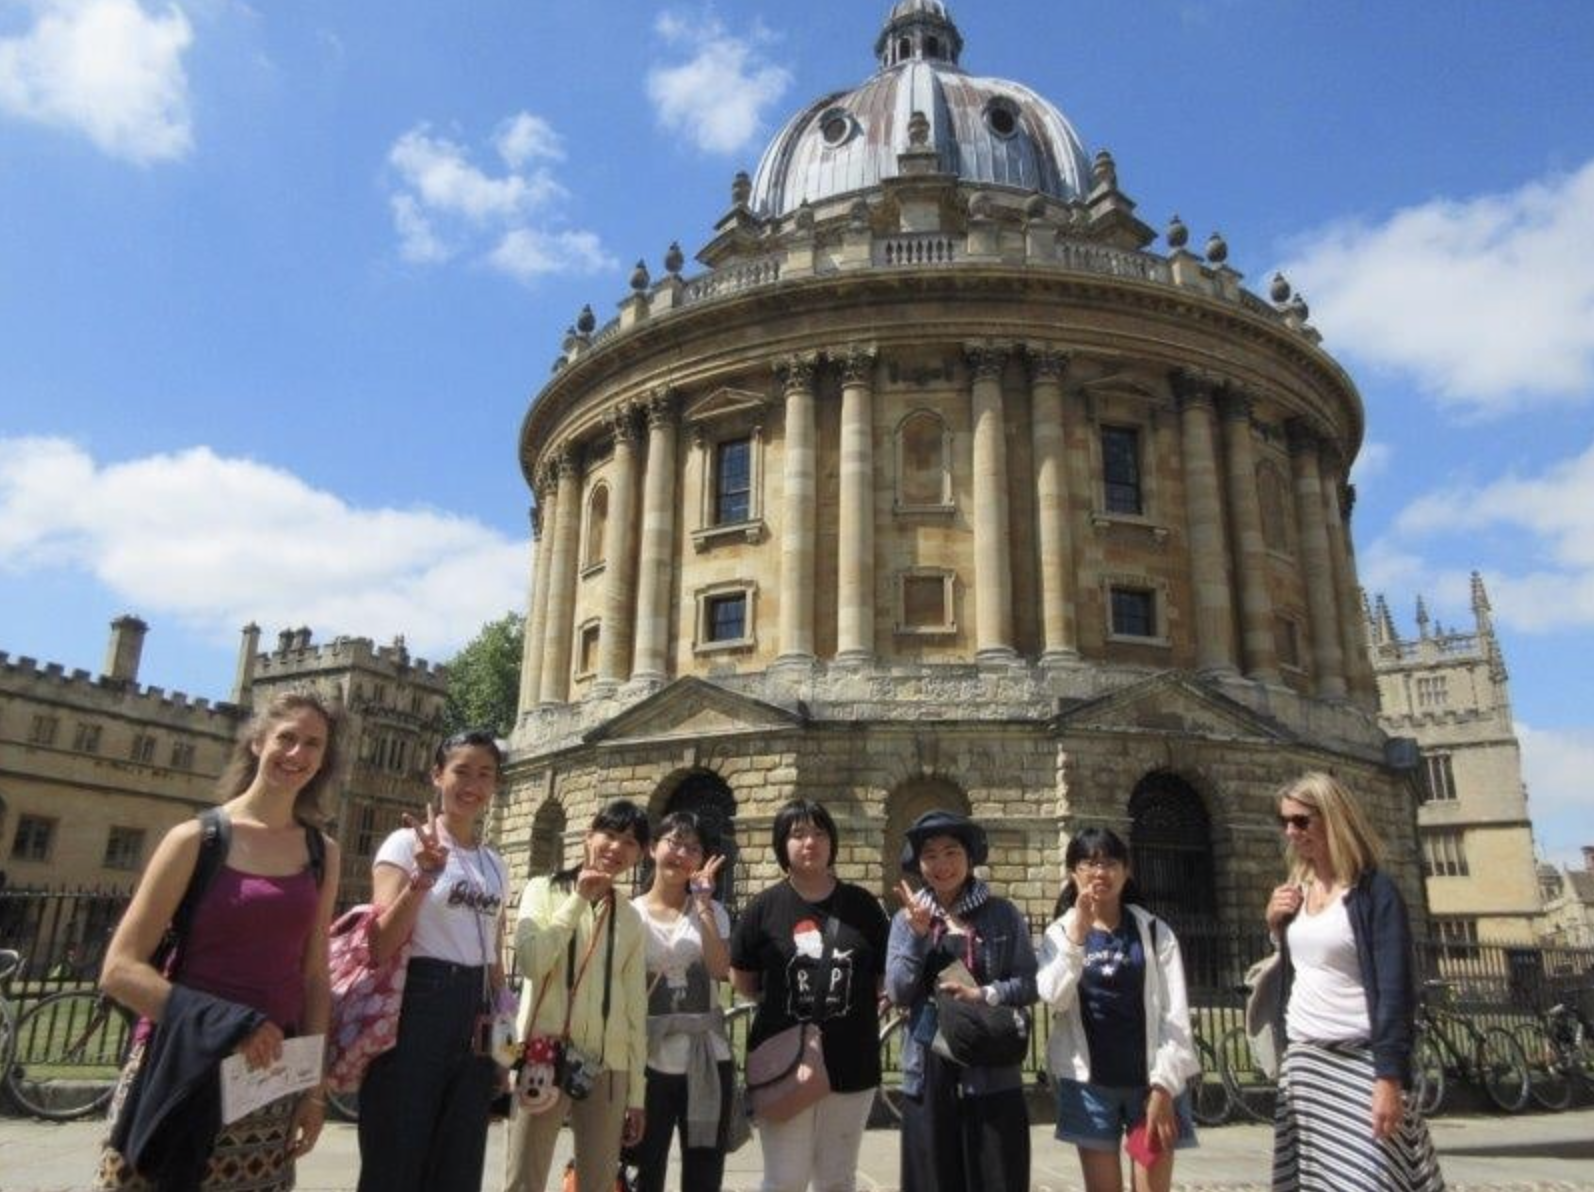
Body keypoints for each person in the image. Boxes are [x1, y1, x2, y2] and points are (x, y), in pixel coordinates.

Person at [95, 691, 343, 1191]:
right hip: (179, 1068)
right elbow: (119, 969)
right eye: (286, 738)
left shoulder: (322, 852)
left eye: (312, 744)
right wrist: (230, 1026)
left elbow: (315, 975)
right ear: (257, 741)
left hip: (268, 1081)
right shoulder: (197, 839)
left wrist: (314, 1087)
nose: (297, 755)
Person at [1266, 772, 1445, 1192]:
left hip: (1360, 1061)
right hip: (1306, 1062)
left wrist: (1389, 1077)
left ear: (1334, 818)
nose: (1291, 831)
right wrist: (1275, 925)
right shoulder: (1298, 891)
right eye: (1285, 822)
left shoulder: (1374, 892)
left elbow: (1396, 989)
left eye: (1301, 821)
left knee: (1370, 1179)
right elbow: (1306, 967)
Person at [356, 729, 509, 1192]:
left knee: (459, 1165)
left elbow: (496, 959)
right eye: (461, 771)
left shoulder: (495, 864)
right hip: (416, 1005)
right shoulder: (404, 845)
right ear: (437, 775)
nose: (473, 785)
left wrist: (507, 1048)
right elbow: (378, 945)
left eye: (485, 774)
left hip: (476, 1010)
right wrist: (422, 878)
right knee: (396, 1159)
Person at [729, 798, 891, 1192]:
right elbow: (744, 981)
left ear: (832, 842)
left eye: (819, 833)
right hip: (782, 1061)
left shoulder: (863, 906)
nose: (810, 843)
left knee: (837, 1179)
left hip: (851, 1059)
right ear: (782, 844)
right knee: (785, 1179)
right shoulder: (763, 908)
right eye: (798, 834)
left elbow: (882, 975)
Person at [1037, 827, 1198, 1192]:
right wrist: (1078, 934)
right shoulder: (1059, 934)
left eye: (1110, 863)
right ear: (1072, 872)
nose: (1100, 873)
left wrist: (1164, 1088)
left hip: (1151, 1086)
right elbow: (1054, 997)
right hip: (1090, 1087)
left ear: (1127, 871)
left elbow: (1175, 1015)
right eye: (1089, 863)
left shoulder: (1156, 932)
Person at [884, 810, 1037, 1192]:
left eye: (951, 852)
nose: (942, 864)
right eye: (930, 855)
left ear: (969, 857)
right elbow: (899, 990)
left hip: (990, 1065)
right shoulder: (906, 920)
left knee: (996, 1177)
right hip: (928, 1064)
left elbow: (1030, 983)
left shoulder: (1002, 915)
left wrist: (985, 993)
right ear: (918, 863)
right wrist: (919, 936)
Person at [505, 799, 650, 1192]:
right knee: (524, 1178)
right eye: (610, 835)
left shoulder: (632, 917)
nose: (617, 848)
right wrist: (578, 900)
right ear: (589, 837)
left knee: (599, 1183)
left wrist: (636, 1094)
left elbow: (636, 1007)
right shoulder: (543, 890)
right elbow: (534, 962)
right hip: (543, 1053)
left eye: (630, 842)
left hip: (607, 1065)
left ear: (639, 855)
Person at [623, 811, 733, 1192]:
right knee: (643, 1170)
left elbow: (721, 969)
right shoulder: (628, 914)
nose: (681, 854)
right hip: (647, 1062)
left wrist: (703, 905)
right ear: (653, 848)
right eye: (674, 842)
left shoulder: (713, 911)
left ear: (702, 860)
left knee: (704, 1174)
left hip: (707, 1059)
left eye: (693, 848)